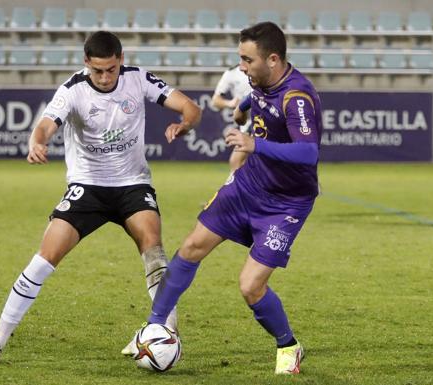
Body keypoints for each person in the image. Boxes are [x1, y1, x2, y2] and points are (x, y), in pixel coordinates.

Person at [0, 31, 202, 365]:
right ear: (86, 64)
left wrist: (184, 125)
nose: (105, 78)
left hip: (133, 185)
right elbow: (46, 124)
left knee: (153, 246)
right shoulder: (73, 89)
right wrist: (38, 142)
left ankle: (162, 333)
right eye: (98, 71)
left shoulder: (138, 79)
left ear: (120, 59)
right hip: (87, 187)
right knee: (46, 256)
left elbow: (190, 107)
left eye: (111, 69)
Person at [137, 21, 322, 375]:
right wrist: (242, 109)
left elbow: (308, 152)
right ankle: (154, 326)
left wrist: (255, 143)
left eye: (247, 60)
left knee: (250, 286)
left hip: (286, 204)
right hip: (247, 186)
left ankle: (288, 346)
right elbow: (254, 98)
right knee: (191, 246)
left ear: (272, 59)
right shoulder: (260, 82)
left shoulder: (296, 97)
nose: (242, 66)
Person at [211, 64, 252, 171]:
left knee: (236, 161)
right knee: (239, 163)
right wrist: (230, 103)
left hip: (260, 122)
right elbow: (215, 100)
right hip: (246, 124)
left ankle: (233, 186)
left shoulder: (261, 68)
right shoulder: (231, 73)